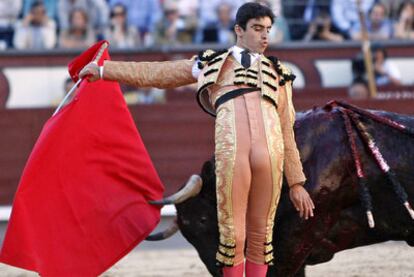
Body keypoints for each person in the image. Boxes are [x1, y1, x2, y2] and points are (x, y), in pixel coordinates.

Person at [79, 3, 314, 276]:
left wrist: (297, 183)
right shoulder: (211, 63)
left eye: (268, 30)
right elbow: (156, 74)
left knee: (262, 236)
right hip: (233, 156)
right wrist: (105, 70)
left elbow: (286, 129)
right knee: (233, 236)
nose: (265, 37)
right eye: (257, 29)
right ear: (239, 30)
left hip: (270, 159)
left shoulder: (280, 73)